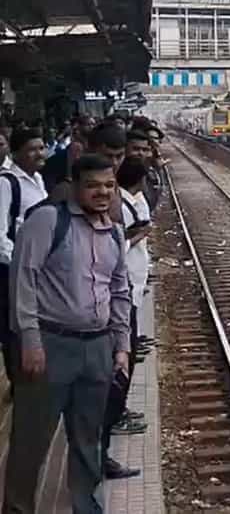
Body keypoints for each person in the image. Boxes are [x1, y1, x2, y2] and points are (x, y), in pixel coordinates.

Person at [4, 153, 131, 513]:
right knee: (31, 439)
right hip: (51, 345)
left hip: (98, 347)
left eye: (109, 185)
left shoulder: (114, 231)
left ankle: (86, 506)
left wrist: (121, 345)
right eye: (92, 186)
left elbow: (119, 290)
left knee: (89, 437)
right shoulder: (47, 221)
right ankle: (17, 509)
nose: (102, 193)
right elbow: (23, 281)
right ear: (75, 186)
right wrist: (30, 341)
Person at [98, 157, 152, 481]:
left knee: (122, 364)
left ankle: (106, 440)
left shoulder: (129, 203)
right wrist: (136, 235)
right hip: (112, 306)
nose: (105, 194)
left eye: (109, 186)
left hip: (127, 293)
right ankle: (103, 446)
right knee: (116, 376)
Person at [0, 127, 48, 389]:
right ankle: (18, 383)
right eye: (32, 149)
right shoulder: (6, 183)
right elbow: (0, 235)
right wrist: (20, 262)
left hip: (38, 267)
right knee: (15, 327)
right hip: (13, 270)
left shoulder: (38, 179)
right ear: (16, 153)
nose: (40, 153)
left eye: (41, 147)